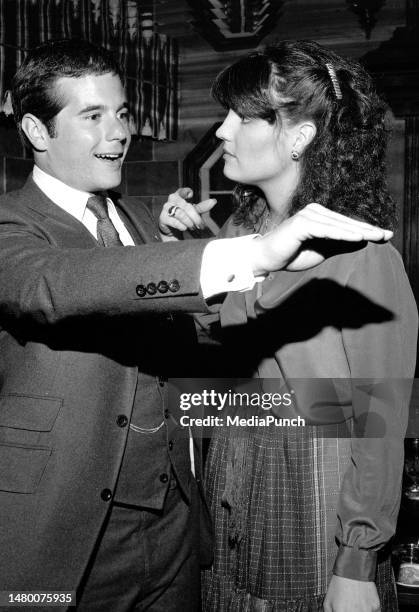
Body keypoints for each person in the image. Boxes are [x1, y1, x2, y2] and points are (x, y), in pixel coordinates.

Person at [0, 38, 393, 612]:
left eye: (123, 113)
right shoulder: (11, 226)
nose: (119, 132)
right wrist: (243, 256)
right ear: (36, 131)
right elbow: (55, 284)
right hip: (60, 539)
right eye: (92, 116)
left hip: (186, 530)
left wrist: (356, 555)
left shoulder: (144, 221)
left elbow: (366, 408)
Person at [160, 41, 418, 611]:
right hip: (231, 462)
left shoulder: (363, 256)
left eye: (244, 116)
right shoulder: (242, 234)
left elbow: (376, 421)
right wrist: (189, 255)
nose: (222, 131)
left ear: (300, 136)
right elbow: (223, 334)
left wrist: (356, 560)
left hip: (312, 484)